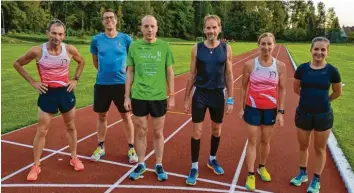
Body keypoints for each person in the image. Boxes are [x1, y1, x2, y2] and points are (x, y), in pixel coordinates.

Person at [13, 19, 85, 181]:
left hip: (66, 93)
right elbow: (17, 64)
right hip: (47, 93)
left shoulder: (70, 50)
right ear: (47, 33)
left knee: (71, 126)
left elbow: (81, 62)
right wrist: (33, 82)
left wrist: (75, 79)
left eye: (60, 34)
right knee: (42, 130)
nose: (57, 37)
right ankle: (36, 165)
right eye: (53, 33)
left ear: (64, 35)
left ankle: (74, 157)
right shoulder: (37, 51)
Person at [183, 15, 234, 186]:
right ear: (204, 30)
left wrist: (231, 99)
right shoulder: (196, 49)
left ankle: (212, 159)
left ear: (219, 29)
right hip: (200, 94)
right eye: (208, 28)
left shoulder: (226, 49)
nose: (211, 31)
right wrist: (186, 98)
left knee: (216, 130)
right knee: (196, 132)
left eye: (214, 28)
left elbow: (229, 74)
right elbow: (191, 75)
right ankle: (194, 166)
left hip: (218, 94)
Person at [124, 15, 175, 181]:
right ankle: (141, 163)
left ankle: (159, 164)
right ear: (141, 28)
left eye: (152, 26)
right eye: (146, 26)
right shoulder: (134, 46)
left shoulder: (164, 46)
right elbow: (130, 71)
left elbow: (169, 72)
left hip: (158, 97)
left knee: (158, 132)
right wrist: (127, 96)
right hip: (139, 95)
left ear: (157, 27)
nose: (149, 30)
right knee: (141, 132)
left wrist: (172, 95)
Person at [290, 37, 342, 193]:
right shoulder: (302, 69)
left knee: (320, 149)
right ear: (311, 50)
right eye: (316, 49)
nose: (319, 52)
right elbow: (296, 89)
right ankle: (302, 174)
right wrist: (309, 99)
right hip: (304, 113)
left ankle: (316, 180)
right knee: (303, 146)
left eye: (323, 49)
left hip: (323, 116)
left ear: (327, 51)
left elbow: (337, 92)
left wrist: (325, 101)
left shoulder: (332, 71)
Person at [239, 33, 287, 191]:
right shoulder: (249, 65)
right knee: (252, 141)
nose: (266, 47)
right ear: (258, 45)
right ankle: (251, 174)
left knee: (265, 142)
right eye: (263, 44)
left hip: (270, 110)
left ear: (274, 45)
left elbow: (282, 89)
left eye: (269, 44)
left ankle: (262, 167)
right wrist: (241, 107)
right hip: (252, 108)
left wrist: (281, 111)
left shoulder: (280, 66)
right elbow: (244, 87)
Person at [90, 9, 138, 164]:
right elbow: (95, 61)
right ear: (102, 21)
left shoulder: (126, 39)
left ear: (116, 20)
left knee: (126, 116)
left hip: (121, 85)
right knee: (102, 116)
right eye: (105, 18)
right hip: (102, 84)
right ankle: (101, 146)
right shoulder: (96, 40)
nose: (108, 20)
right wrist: (105, 72)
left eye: (111, 18)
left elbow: (132, 61)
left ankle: (131, 148)